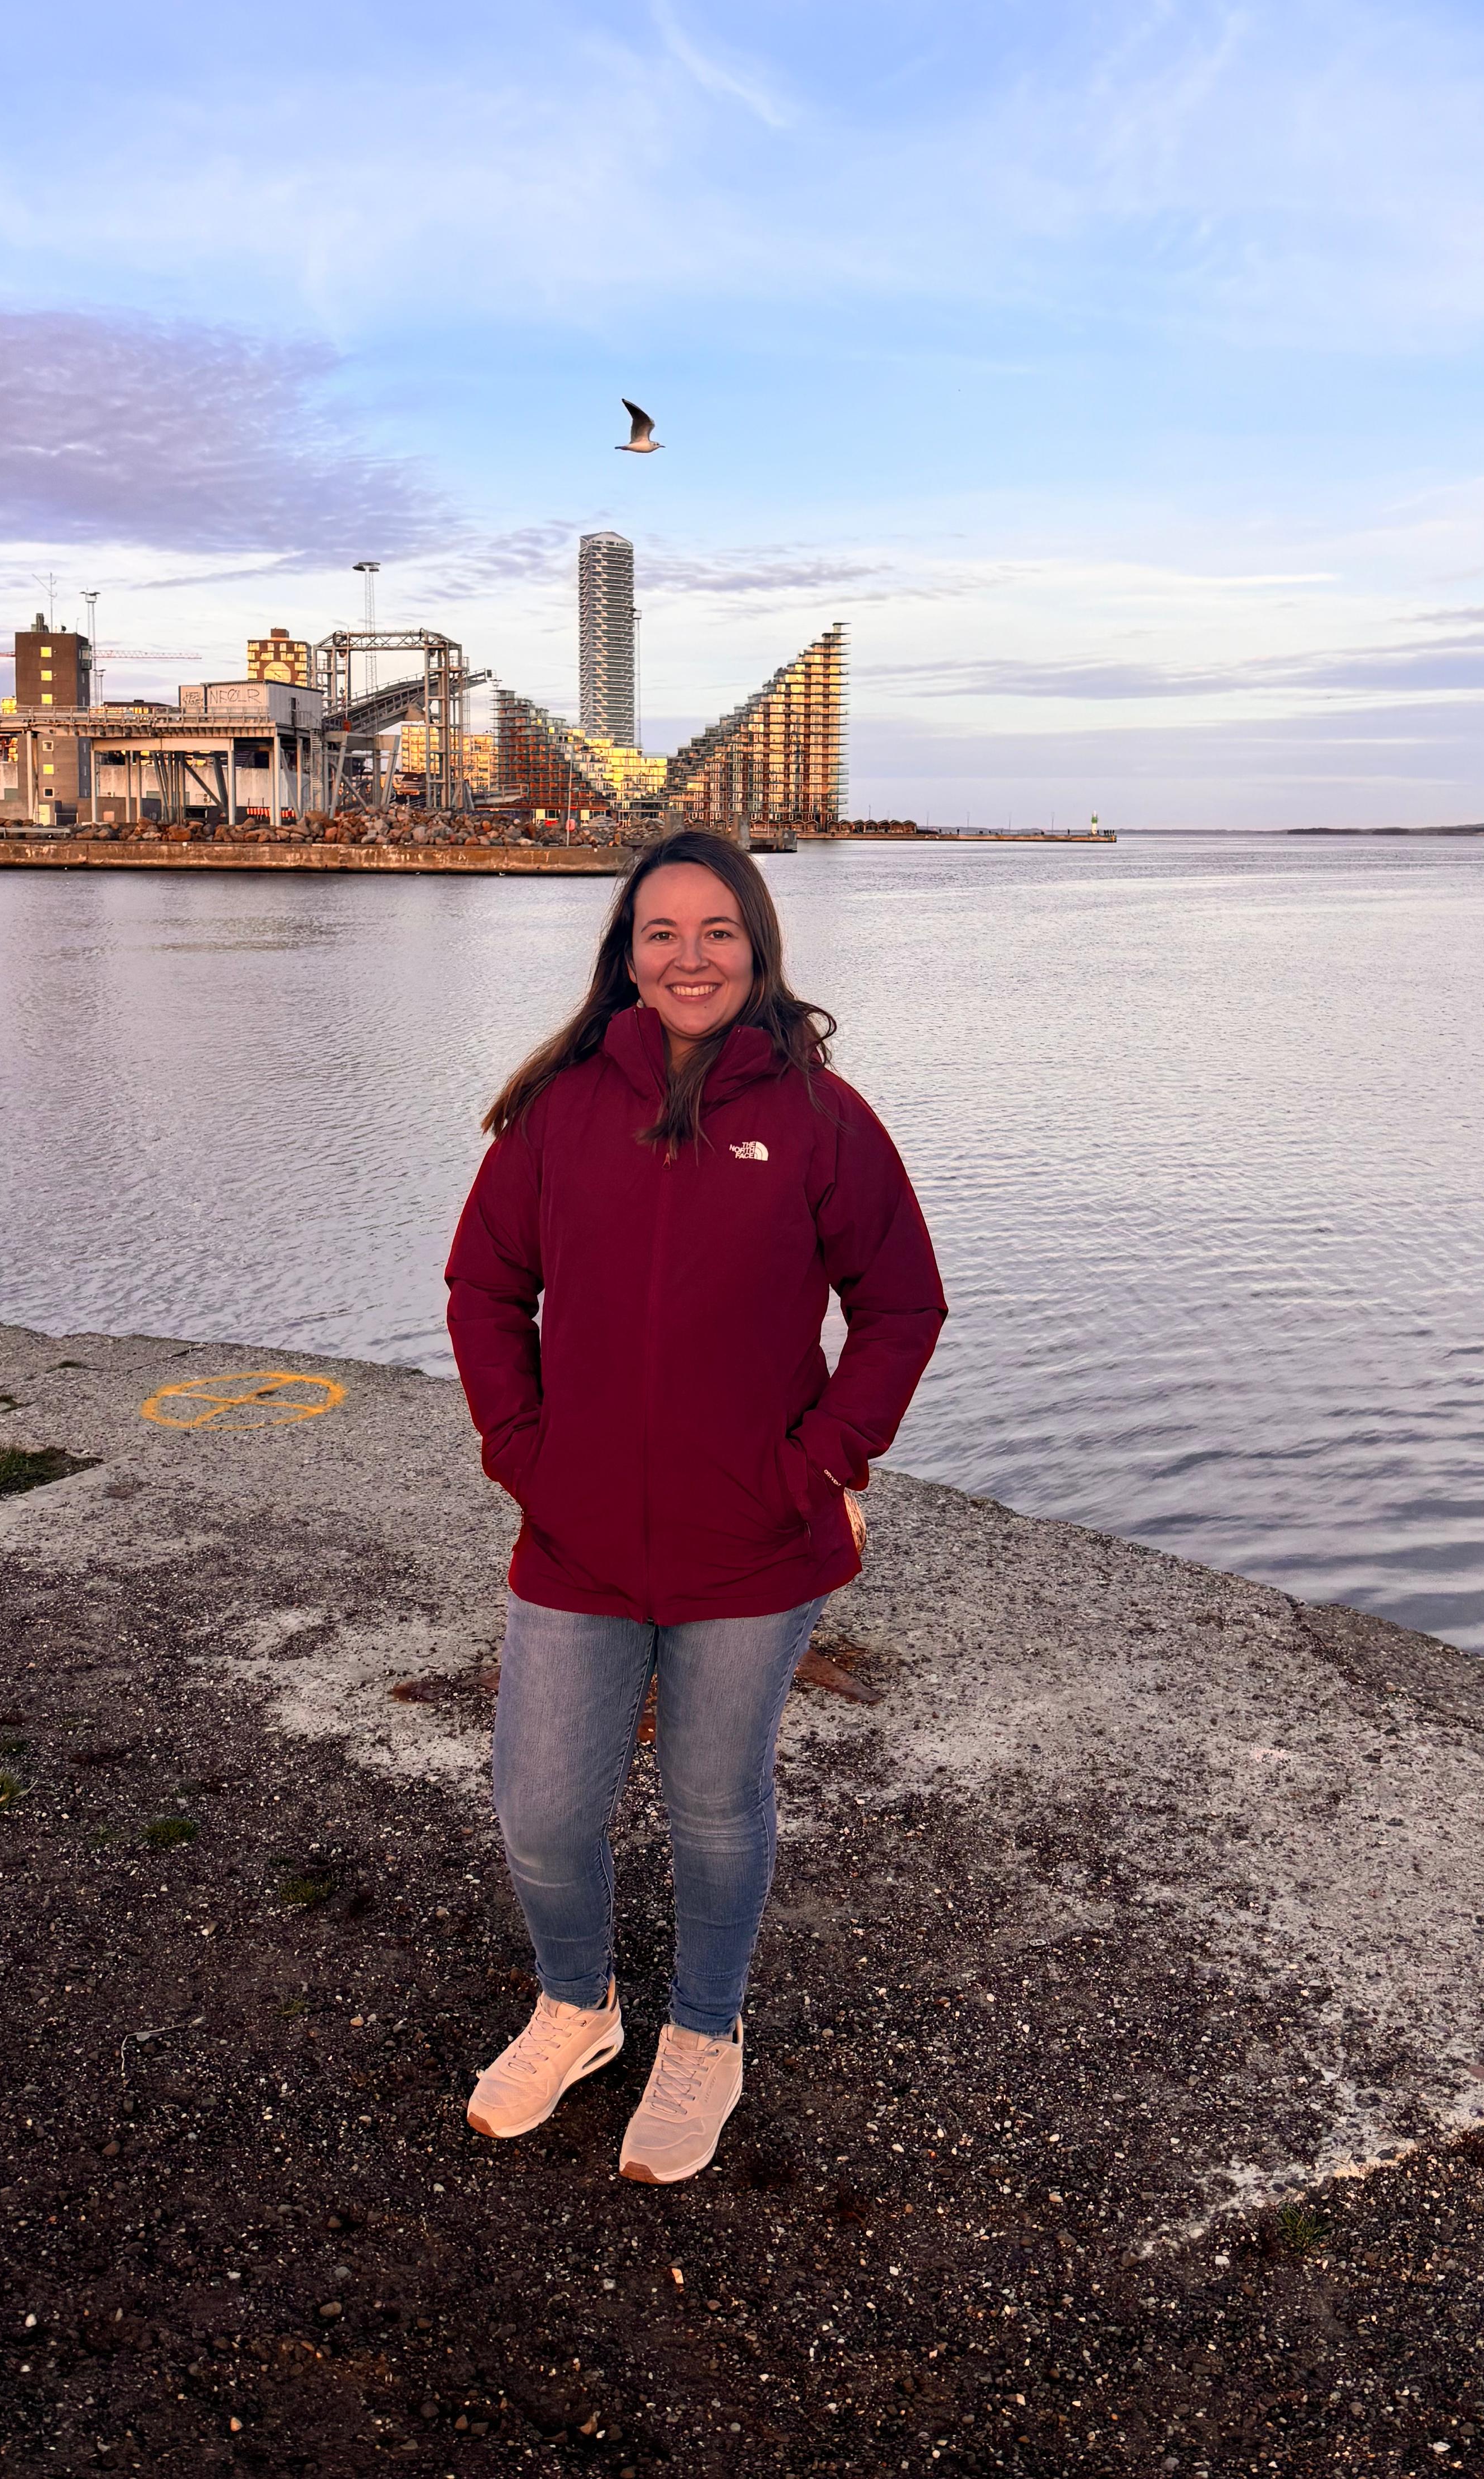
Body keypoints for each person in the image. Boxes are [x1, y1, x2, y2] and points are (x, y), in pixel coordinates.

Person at [445, 829, 946, 2184]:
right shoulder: (559, 1110)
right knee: (544, 1806)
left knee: (716, 1802)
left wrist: (822, 1461)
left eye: (716, 931)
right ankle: (578, 2007)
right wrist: (524, 1448)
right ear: (626, 954)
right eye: (661, 932)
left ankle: (705, 2037)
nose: (689, 957)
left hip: (755, 1541)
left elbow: (902, 1305)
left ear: (758, 946)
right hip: (579, 1529)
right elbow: (485, 1288)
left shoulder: (821, 1116)